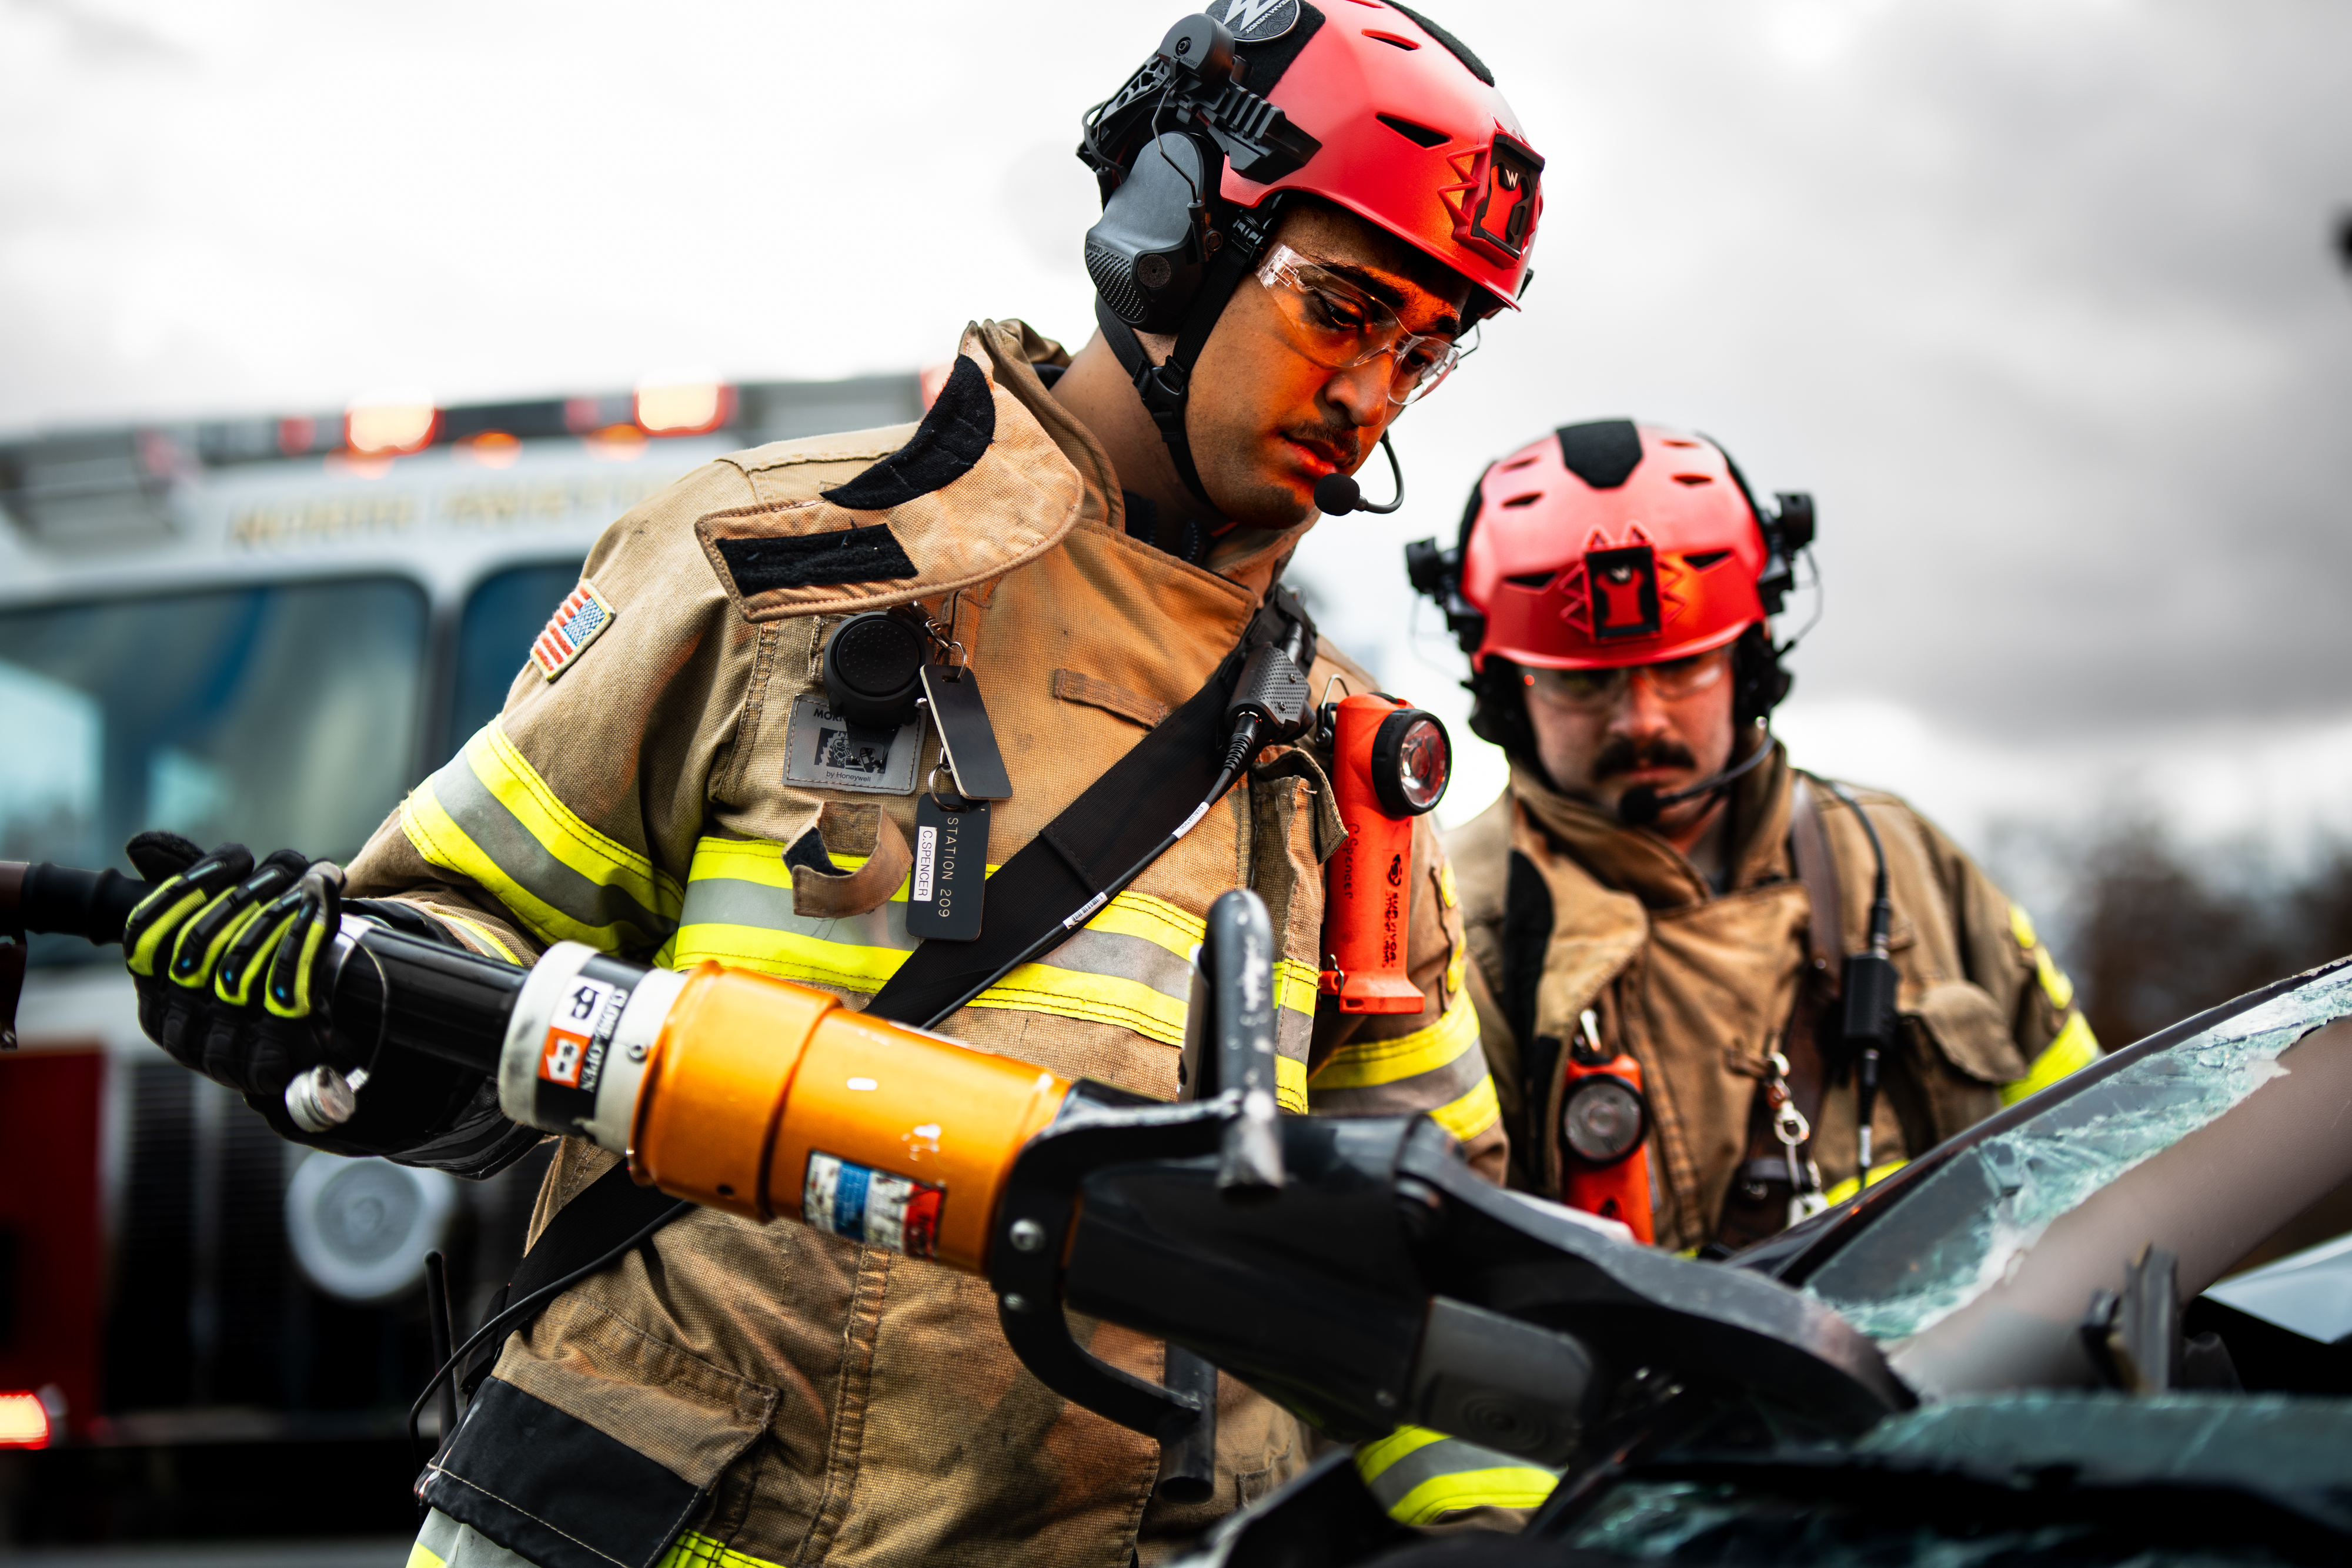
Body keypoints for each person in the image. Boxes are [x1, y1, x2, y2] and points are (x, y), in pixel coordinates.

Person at [113, 7, 1542, 1566]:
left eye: (1427, 346)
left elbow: (1433, 1245)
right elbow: (458, 934)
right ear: (1169, 237)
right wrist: (341, 1021)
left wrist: (1511, 1537)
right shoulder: (773, 571)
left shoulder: (1349, 770)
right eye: (1344, 306)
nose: (1376, 391)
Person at [1416, 419, 2099, 1252]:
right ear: (1500, 692)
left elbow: (2101, 1157)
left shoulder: (1900, 858)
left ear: (1752, 660)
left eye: (1682, 665)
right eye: (1584, 684)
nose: (1642, 720)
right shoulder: (1444, 927)